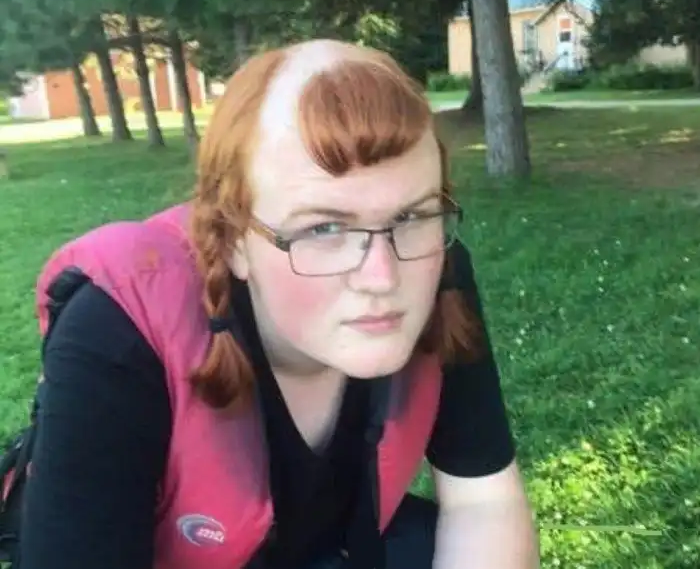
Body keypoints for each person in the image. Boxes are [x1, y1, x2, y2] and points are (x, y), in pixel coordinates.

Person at [15, 39, 539, 569]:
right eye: (324, 228)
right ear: (234, 239)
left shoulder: (434, 263)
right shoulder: (117, 326)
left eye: (411, 216)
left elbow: (483, 501)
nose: (382, 276)